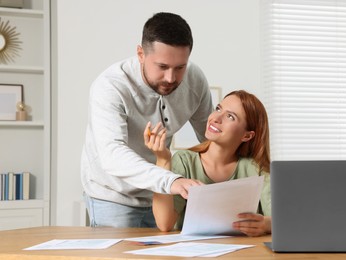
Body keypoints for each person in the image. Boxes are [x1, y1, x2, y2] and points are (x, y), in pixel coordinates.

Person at [81, 12, 214, 228]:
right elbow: (112, 154)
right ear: (140, 53)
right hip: (114, 196)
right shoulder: (110, 86)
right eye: (162, 67)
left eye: (180, 67)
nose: (171, 78)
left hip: (164, 196)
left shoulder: (195, 79)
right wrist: (171, 181)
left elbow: (210, 140)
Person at [144, 90, 272, 237]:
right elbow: (164, 224)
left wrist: (266, 224)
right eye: (218, 109)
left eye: (230, 116)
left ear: (247, 135)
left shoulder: (257, 169)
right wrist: (163, 160)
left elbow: (282, 219)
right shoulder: (184, 161)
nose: (216, 118)